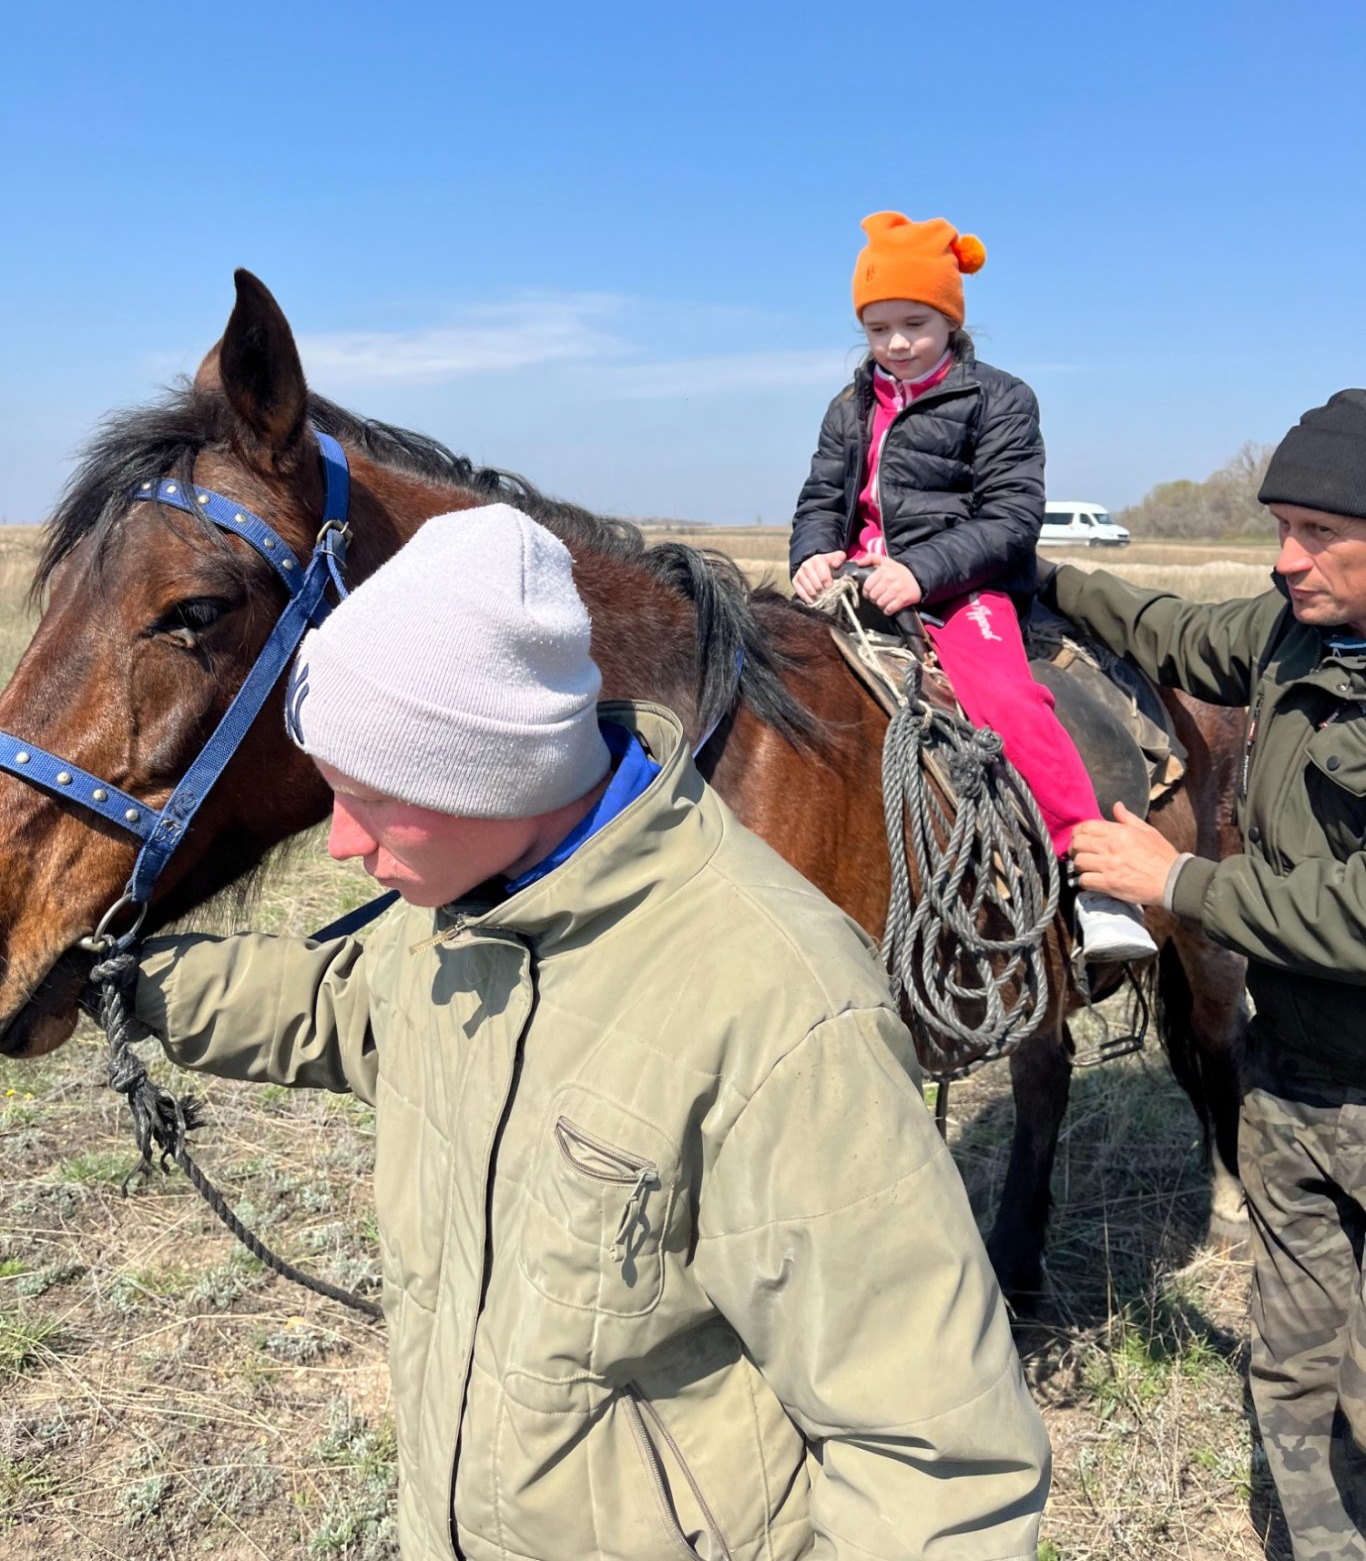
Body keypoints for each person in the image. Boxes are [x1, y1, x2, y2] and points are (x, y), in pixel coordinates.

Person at [130, 502, 1050, 1561]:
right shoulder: (463, 908)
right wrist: (123, 981)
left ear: (495, 771)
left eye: (374, 799)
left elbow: (935, 1462)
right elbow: (346, 1010)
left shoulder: (775, 1006)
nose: (342, 843)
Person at [1042, 389, 1366, 1561]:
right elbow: (1173, 628)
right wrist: (1041, 577)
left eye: (1318, 534)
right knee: (1291, 1364)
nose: (1285, 561)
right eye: (1276, 526)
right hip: (1289, 1082)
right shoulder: (1295, 634)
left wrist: (1173, 886)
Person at [789, 210, 1157, 962]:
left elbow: (1012, 517)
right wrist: (813, 553)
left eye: (914, 323)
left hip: (965, 588)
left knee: (1011, 702)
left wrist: (921, 570)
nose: (895, 343)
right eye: (878, 327)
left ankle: (1099, 882)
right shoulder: (848, 406)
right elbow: (821, 497)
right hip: (860, 585)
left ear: (950, 319)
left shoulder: (999, 399)